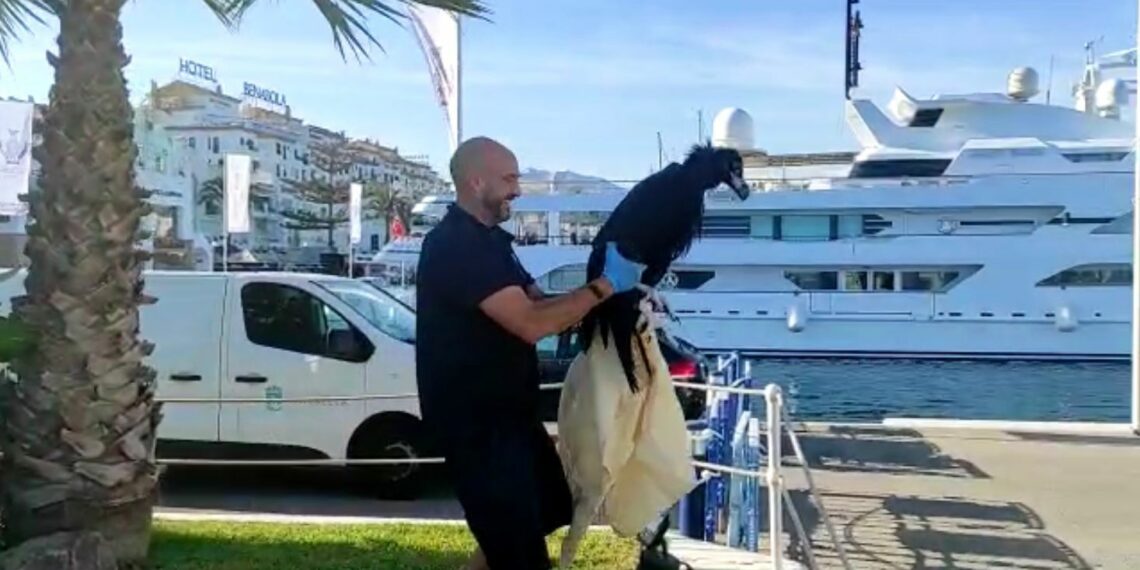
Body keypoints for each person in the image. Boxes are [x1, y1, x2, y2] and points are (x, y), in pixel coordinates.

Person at [415, 136, 645, 569]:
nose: (517, 190)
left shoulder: (492, 242)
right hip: (477, 428)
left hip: (511, 418)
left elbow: (541, 303)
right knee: (520, 553)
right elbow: (530, 324)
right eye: (509, 179)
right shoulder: (456, 246)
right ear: (475, 180)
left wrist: (605, 296)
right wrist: (605, 285)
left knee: (547, 510)